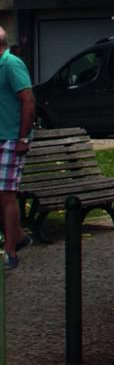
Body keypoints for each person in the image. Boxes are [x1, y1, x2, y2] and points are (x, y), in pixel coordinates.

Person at [0, 27, 34, 273]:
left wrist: (22, 137)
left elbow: (28, 100)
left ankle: (11, 250)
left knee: (6, 194)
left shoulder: (11, 65)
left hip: (11, 138)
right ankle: (19, 236)